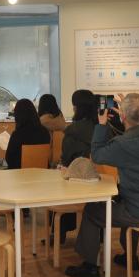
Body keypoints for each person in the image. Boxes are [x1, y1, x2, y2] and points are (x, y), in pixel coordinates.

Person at [65, 93, 139, 277]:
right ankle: (130, 258)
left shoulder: (122, 144)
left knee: (93, 211)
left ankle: (90, 266)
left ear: (123, 116)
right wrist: (131, 109)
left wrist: (102, 125)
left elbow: (97, 155)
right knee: (126, 202)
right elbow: (138, 129)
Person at [52, 90, 97, 245]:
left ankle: (58, 233)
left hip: (74, 186)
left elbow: (66, 160)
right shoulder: (101, 128)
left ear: (77, 108)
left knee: (60, 181)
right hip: (98, 187)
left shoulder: (72, 132)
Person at [5, 99, 51, 169]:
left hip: (20, 173)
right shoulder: (45, 132)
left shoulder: (17, 134)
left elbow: (9, 158)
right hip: (41, 172)